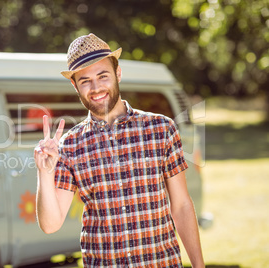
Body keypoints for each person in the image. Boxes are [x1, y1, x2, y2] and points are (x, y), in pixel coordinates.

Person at [34, 33, 204, 267]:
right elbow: (50, 225)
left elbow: (182, 205)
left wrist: (199, 265)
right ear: (75, 86)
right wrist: (44, 172)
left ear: (118, 74)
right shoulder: (69, 146)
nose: (96, 88)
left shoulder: (161, 129)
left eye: (103, 76)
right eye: (85, 81)